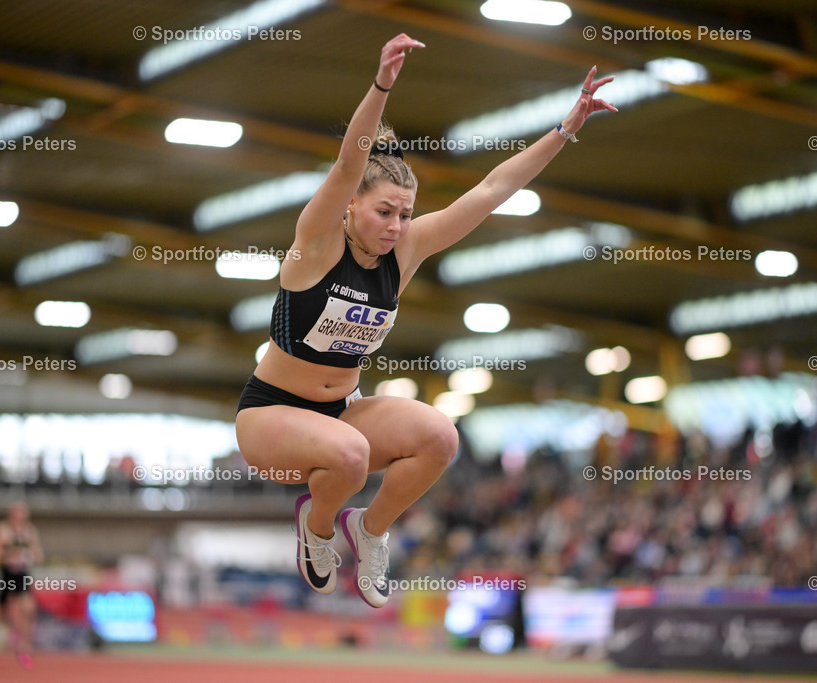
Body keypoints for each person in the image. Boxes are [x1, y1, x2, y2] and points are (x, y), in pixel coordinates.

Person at [235, 33, 616, 608]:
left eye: (405, 214)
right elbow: (347, 164)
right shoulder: (315, 244)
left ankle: (370, 529)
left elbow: (492, 191)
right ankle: (315, 531)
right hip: (271, 417)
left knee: (441, 436)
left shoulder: (404, 251)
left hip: (343, 411)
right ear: (350, 208)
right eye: (384, 211)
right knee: (351, 455)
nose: (396, 224)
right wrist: (383, 82)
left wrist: (565, 129)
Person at [0, 501, 43, 668]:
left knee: (28, 607)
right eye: (18, 512)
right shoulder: (2, 530)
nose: (21, 516)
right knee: (0, 609)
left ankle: (24, 642)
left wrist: (30, 554)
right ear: (11, 514)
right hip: (6, 573)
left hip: (22, 574)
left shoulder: (29, 530)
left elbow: (38, 554)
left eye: (24, 513)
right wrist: (8, 552)